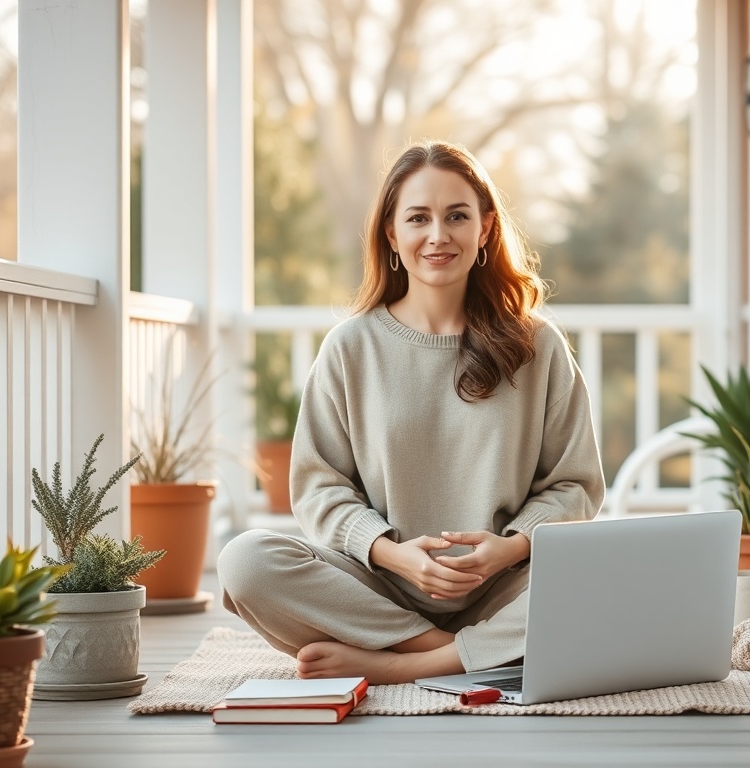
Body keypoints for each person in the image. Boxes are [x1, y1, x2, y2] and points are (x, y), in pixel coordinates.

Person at [218, 139, 605, 685]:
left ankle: (408, 666)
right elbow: (319, 487)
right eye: (418, 218)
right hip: (374, 590)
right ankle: (457, 654)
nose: (438, 235)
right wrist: (394, 556)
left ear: (486, 230)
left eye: (457, 216)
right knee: (246, 561)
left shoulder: (537, 346)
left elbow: (575, 485)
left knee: (607, 574)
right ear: (392, 234)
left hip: (505, 586)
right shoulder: (350, 347)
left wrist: (508, 549)